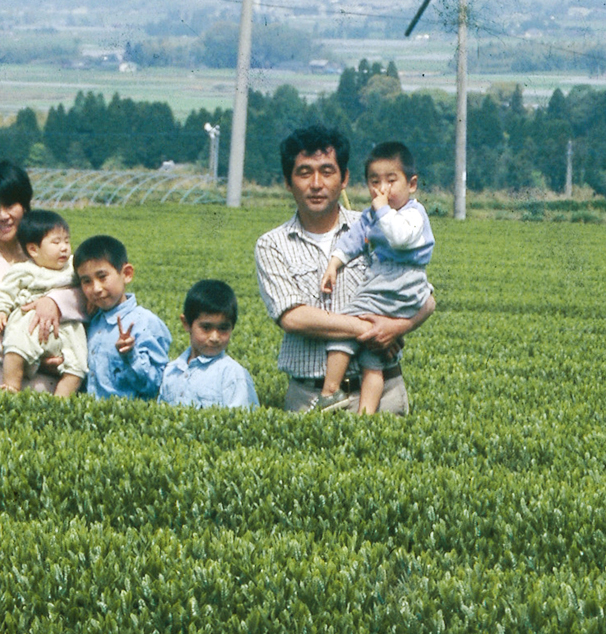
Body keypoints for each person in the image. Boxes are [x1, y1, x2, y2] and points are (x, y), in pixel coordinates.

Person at [253, 124, 433, 415]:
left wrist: (398, 327)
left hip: (383, 390)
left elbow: (426, 297)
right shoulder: (271, 245)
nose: (316, 183)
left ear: (345, 178)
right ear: (288, 182)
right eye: (303, 172)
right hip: (309, 398)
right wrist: (370, 330)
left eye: (327, 171)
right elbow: (293, 317)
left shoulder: (376, 227)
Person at [317, 141, 434, 414]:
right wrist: (335, 263)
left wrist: (382, 209)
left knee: (347, 325)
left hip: (401, 282)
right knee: (374, 357)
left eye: (391, 181)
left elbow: (399, 237)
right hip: (387, 281)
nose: (382, 189)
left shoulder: (414, 214)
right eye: (374, 181)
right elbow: (354, 240)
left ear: (412, 184)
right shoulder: (372, 215)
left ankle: (330, 391)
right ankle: (366, 416)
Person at [0, 160, 85, 391]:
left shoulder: (48, 253)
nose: (3, 215)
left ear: (25, 206)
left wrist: (54, 302)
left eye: (10, 205)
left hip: (59, 381)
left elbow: (85, 296)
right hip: (0, 381)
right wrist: (33, 360)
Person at [0, 209, 89, 396]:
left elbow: (86, 286)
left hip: (67, 328)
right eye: (56, 242)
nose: (64, 247)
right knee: (15, 348)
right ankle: (11, 387)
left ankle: (61, 400)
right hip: (29, 323)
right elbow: (4, 293)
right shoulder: (23, 271)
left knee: (77, 366)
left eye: (66, 241)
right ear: (33, 249)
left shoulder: (73, 267)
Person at [73, 233, 171, 401]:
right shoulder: (93, 321)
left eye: (102, 277)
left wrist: (130, 356)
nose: (96, 288)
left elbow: (156, 385)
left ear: (126, 273)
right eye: (86, 281)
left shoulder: (146, 323)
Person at [159, 279, 260, 410]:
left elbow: (241, 421)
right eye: (206, 327)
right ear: (186, 324)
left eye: (223, 328)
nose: (214, 337)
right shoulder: (171, 371)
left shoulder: (232, 374)